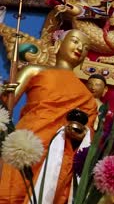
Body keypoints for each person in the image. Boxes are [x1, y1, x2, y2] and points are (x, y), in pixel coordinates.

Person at [0, 29, 97, 204]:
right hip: (25, 143)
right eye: (75, 41)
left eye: (85, 47)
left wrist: (79, 132)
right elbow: (6, 105)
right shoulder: (34, 70)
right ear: (58, 44)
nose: (80, 48)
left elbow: (87, 135)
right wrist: (4, 91)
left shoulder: (87, 96)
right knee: (13, 190)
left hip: (58, 156)